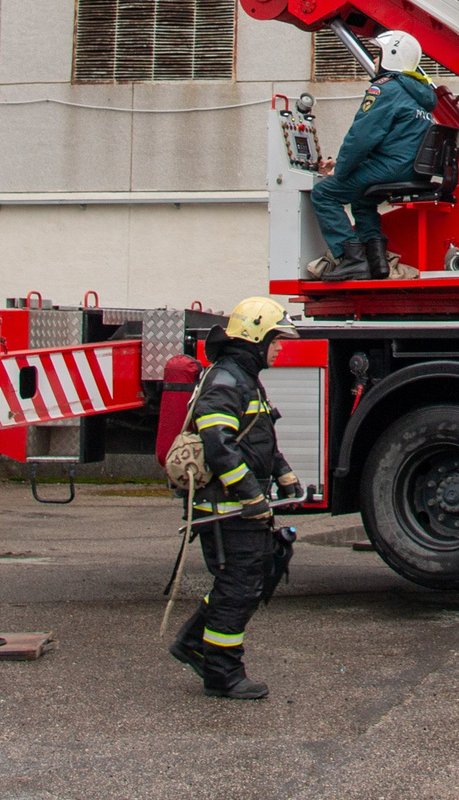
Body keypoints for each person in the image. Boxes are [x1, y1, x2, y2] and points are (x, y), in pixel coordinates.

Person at [169, 296, 302, 699]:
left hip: (238, 505)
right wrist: (250, 493)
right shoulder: (226, 381)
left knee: (248, 578)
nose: (280, 349)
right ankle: (222, 673)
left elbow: (257, 437)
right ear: (256, 338)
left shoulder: (244, 378)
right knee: (240, 586)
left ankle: (194, 642)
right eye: (276, 340)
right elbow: (218, 444)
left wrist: (283, 473)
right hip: (226, 506)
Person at [307, 30, 436, 281]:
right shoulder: (420, 95)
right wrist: (343, 165)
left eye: (378, 54)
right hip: (410, 169)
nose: (375, 60)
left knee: (324, 194)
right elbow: (396, 143)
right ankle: (376, 263)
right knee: (362, 200)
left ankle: (351, 259)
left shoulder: (385, 90)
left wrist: (341, 171)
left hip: (391, 169)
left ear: (391, 56)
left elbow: (361, 137)